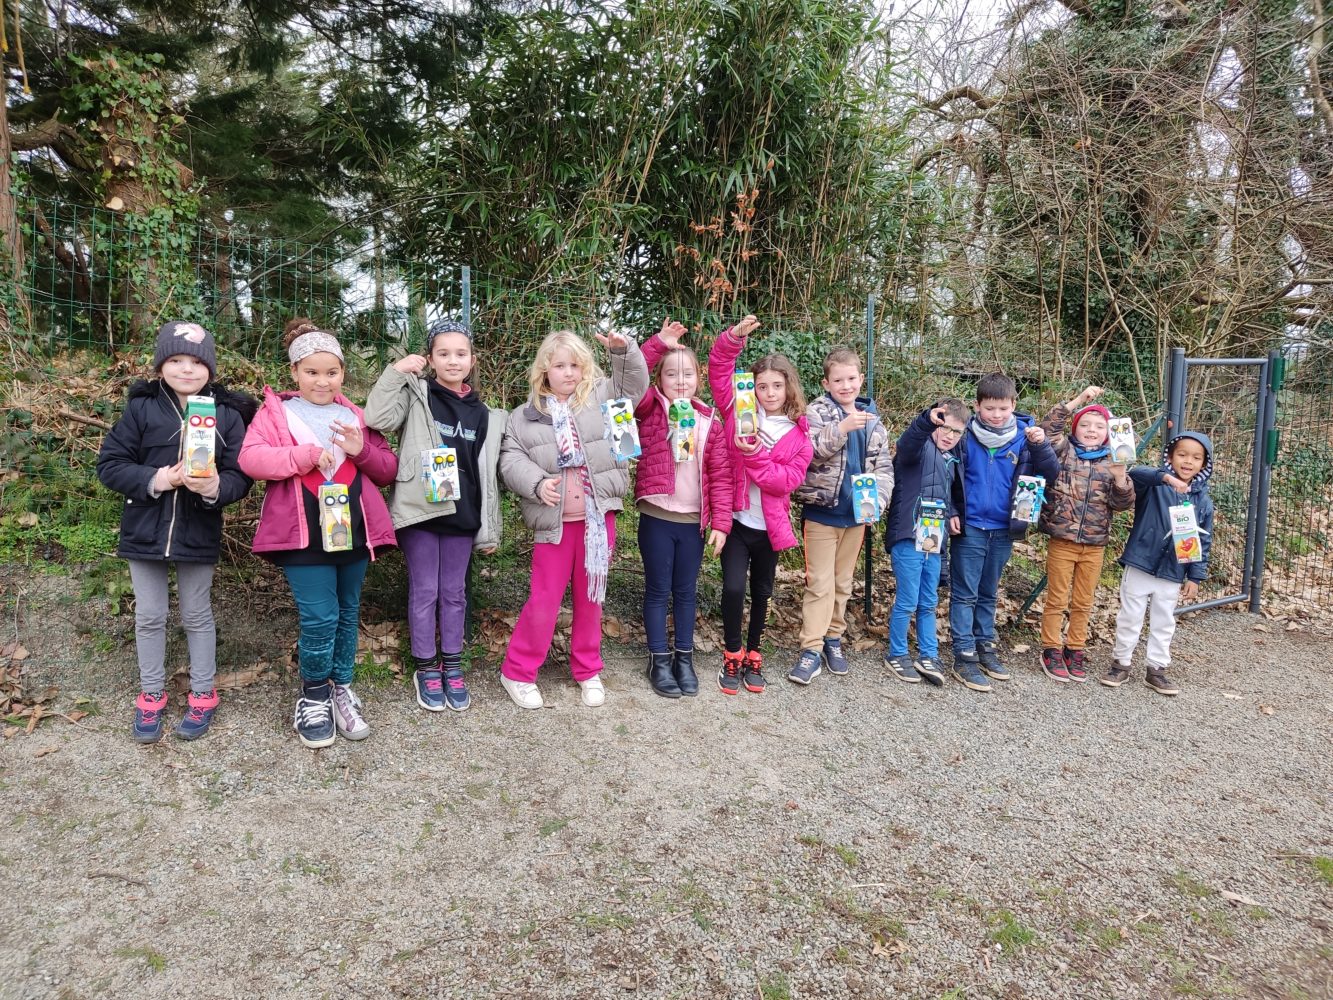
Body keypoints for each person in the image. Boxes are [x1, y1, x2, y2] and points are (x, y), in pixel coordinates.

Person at [239, 319, 398, 748]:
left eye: (332, 372)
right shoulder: (275, 414)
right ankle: (313, 696)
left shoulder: (357, 416)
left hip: (353, 529)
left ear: (343, 372)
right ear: (294, 372)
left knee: (348, 611)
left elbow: (387, 469)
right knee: (320, 616)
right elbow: (252, 460)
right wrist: (305, 454)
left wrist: (359, 448)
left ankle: (340, 689)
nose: (322, 381)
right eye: (311, 372)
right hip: (302, 529)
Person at [97, 321, 255, 742]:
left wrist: (216, 488)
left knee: (196, 614)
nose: (187, 369)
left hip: (197, 530)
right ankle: (151, 695)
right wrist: (159, 479)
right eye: (176, 360)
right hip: (143, 530)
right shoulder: (142, 409)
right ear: (161, 364)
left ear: (211, 368)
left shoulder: (226, 415)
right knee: (149, 615)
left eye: (197, 362)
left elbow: (243, 473)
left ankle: (203, 693)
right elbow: (110, 465)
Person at [497, 329, 649, 709]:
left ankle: (588, 669)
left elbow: (635, 385)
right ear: (544, 369)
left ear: (586, 367)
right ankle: (517, 670)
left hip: (599, 520)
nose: (568, 372)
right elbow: (510, 460)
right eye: (559, 365)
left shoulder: (601, 396)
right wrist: (536, 484)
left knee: (591, 597)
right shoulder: (524, 416)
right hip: (554, 523)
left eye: (575, 365)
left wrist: (623, 351)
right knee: (544, 599)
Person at [364, 318, 505, 713]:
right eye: (443, 353)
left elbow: (489, 471)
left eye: (460, 354)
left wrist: (488, 524)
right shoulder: (417, 393)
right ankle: (426, 667)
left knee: (454, 593)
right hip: (421, 511)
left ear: (472, 360)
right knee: (425, 591)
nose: (453, 360)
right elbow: (377, 418)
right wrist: (396, 372)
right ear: (430, 359)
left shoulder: (486, 414)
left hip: (463, 514)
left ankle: (453, 666)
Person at [708, 315, 813, 695]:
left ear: (788, 388)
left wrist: (753, 457)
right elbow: (719, 371)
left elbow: (784, 481)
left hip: (770, 529)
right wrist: (732, 340)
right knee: (734, 588)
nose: (769, 392)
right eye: (761, 385)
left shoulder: (800, 434)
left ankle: (755, 654)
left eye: (776, 386)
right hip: (737, 522)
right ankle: (732, 653)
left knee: (763, 592)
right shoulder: (739, 414)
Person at [634, 318, 732, 698]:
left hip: (693, 522)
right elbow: (634, 376)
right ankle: (659, 659)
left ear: (698, 379)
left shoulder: (710, 421)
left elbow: (721, 476)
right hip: (658, 517)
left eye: (687, 373)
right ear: (659, 379)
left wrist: (720, 523)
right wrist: (659, 342)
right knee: (658, 590)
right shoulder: (650, 409)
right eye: (671, 374)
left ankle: (684, 659)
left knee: (686, 591)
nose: (679, 380)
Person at [790, 348, 893, 684]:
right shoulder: (817, 412)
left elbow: (884, 469)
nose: (845, 385)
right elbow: (811, 453)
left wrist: (878, 501)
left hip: (856, 517)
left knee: (842, 582)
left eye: (851, 379)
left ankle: (833, 638)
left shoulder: (875, 422)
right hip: (822, 512)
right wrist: (843, 428)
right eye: (838, 380)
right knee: (819, 583)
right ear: (826, 382)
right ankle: (811, 648)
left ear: (860, 379)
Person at [950, 373, 1059, 692]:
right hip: (970, 526)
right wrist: (953, 512)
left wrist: (1040, 447)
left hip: (1004, 527)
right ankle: (963, 652)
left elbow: (1051, 473)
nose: (996, 415)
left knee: (988, 590)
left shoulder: (1028, 437)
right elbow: (948, 478)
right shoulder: (963, 435)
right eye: (989, 408)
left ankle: (985, 644)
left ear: (1014, 405)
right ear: (977, 406)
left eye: (1002, 408)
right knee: (965, 592)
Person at [1036, 386, 1135, 682]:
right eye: (1085, 425)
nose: (1091, 430)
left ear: (1107, 432)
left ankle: (1075, 648)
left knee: (1083, 601)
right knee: (1056, 598)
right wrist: (1079, 400)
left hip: (1094, 545)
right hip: (1062, 539)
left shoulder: (1114, 460)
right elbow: (1047, 428)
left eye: (1099, 426)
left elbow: (1123, 504)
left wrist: (1120, 477)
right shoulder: (1064, 450)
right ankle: (1051, 648)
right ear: (1075, 428)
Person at [1105, 432, 1214, 696]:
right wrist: (1166, 478)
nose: (1188, 461)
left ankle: (1157, 669)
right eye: (1182, 454)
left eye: (1196, 458)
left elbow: (1204, 541)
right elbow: (1137, 474)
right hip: (1140, 563)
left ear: (1204, 464)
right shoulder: (1154, 485)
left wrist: (1195, 576)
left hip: (1174, 570)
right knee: (1130, 617)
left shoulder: (1204, 502)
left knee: (1164, 621)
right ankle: (1121, 663)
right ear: (1170, 457)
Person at [881, 399, 967, 686]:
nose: (949, 435)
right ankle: (897, 653)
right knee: (907, 600)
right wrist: (927, 420)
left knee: (929, 601)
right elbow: (907, 443)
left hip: (934, 541)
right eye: (944, 427)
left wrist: (953, 513)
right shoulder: (917, 449)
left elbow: (946, 494)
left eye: (956, 432)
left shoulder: (952, 459)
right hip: (908, 536)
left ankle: (928, 655)